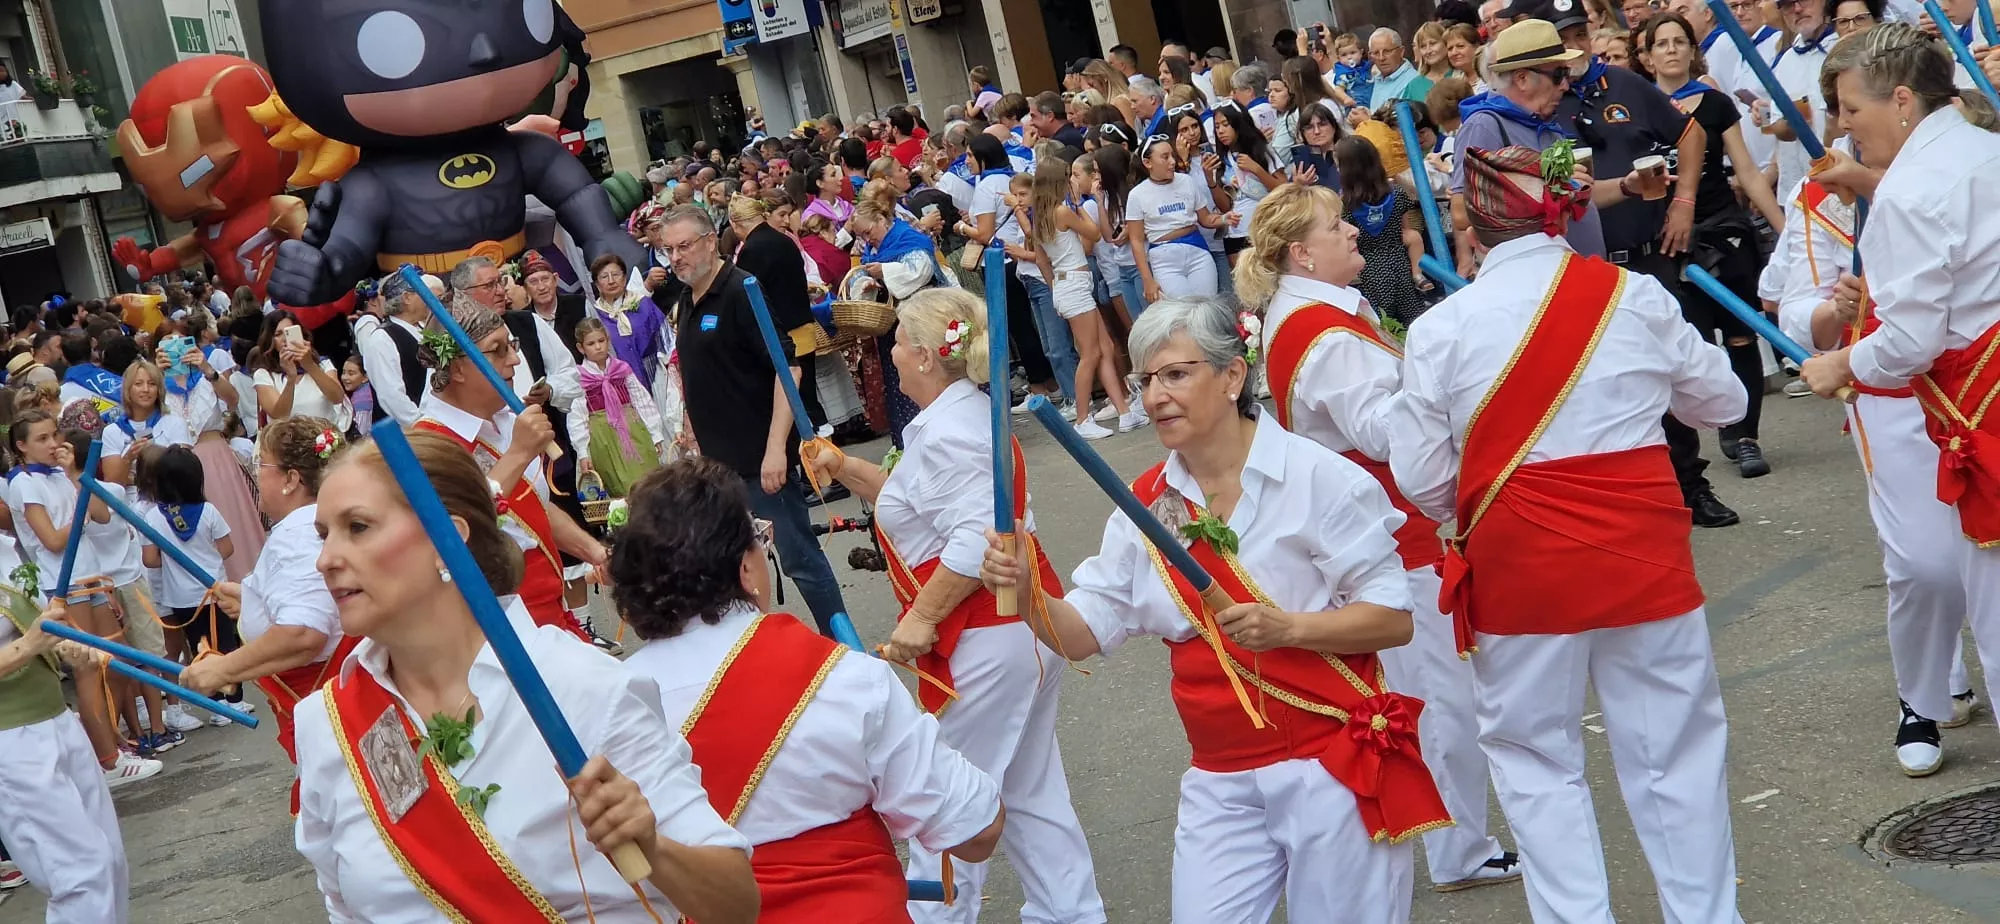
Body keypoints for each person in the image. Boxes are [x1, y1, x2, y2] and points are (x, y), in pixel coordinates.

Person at [980, 296, 1447, 921]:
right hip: (1219, 778)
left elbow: (1394, 618)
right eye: (1146, 380)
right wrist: (1023, 589)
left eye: (1175, 374)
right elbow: (1082, 633)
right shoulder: (1146, 505)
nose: (1154, 397)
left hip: (1330, 764)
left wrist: (1290, 628)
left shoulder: (1320, 479)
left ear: (1232, 376)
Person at [1389, 145, 1747, 924]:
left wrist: (1503, 489)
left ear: (1471, 223)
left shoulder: (1442, 329)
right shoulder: (1636, 295)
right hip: (1644, 554)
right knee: (1675, 753)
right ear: (1566, 209)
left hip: (1521, 565)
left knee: (1534, 759)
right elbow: (1721, 403)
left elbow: (1422, 484)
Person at [293, 432, 760, 923]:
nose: (327, 560)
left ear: (446, 541)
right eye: (325, 535)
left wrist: (653, 847)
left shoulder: (579, 687)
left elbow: (735, 905)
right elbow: (345, 908)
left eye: (358, 527)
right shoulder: (327, 727)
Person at [1237, 181, 1520, 894]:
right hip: (1392, 529)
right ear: (1302, 253)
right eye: (1337, 226)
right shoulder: (1324, 333)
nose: (1354, 231)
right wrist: (1451, 389)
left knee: (1429, 691)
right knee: (1441, 698)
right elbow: (1386, 432)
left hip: (1377, 524)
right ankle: (1457, 847)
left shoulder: (1315, 315)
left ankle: (1451, 840)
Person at [803, 288, 1106, 923]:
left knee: (945, 800)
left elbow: (978, 536)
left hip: (988, 640)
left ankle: (938, 917)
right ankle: (1070, 912)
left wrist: (922, 616)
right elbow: (927, 506)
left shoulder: (948, 430)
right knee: (1029, 793)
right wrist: (846, 468)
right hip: (1014, 632)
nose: (892, 355)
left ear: (924, 355)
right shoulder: (961, 419)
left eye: (898, 346)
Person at [616, 457, 1008, 921]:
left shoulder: (607, 705)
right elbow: (975, 829)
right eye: (761, 541)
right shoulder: (842, 678)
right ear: (745, 567)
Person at [1799, 23, 2000, 749]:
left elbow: (1912, 341)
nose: (1842, 127)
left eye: (1851, 108)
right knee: (1928, 563)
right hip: (1967, 405)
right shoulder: (1984, 149)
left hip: (1974, 412)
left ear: (1904, 99)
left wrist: (1840, 365)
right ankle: (1926, 693)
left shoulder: (1912, 191)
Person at [663, 205, 851, 634]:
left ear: (711, 241)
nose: (676, 257)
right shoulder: (688, 298)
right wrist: (691, 427)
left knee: (799, 558)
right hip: (717, 464)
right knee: (735, 569)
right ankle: (754, 651)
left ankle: (843, 645)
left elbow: (790, 372)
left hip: (759, 461)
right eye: (668, 249)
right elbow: (702, 372)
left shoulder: (742, 290)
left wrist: (774, 452)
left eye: (684, 246)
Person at [177, 416, 357, 810]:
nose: (256, 476)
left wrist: (224, 669)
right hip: (327, 707)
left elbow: (303, 632)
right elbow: (318, 602)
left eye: (262, 466)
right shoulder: (313, 526)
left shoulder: (296, 535)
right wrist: (252, 598)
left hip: (328, 710)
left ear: (292, 478)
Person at [1637, 12, 1788, 477]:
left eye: (1679, 41)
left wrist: (1786, 231)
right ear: (1646, 56)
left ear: (1691, 48)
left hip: (1724, 228)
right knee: (1694, 342)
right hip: (1668, 238)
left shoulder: (1716, 103)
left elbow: (1745, 170)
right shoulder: (1637, 107)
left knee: (1741, 333)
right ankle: (1698, 438)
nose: (1671, 50)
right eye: (1659, 43)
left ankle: (1745, 436)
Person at [0, 593, 133, 923]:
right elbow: (25, 640)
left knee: (110, 860)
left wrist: (60, 647)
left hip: (56, 720)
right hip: (11, 739)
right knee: (80, 874)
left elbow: (26, 627)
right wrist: (29, 645)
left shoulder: (4, 551)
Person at [1449, 17, 1608, 274]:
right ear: (1522, 78)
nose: (1566, 85)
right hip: (1540, 283)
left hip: (1580, 276)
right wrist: (1550, 186)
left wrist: (1626, 187)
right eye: (1559, 74)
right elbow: (1461, 213)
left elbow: (1579, 196)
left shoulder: (1544, 122)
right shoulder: (1486, 124)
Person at [1022, 159, 1143, 438]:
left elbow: (1041, 261)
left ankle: (1124, 412)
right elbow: (1094, 232)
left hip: (1068, 286)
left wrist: (1057, 290)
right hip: (1074, 286)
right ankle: (1082, 418)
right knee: (1090, 353)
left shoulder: (1040, 216)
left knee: (1103, 347)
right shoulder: (1062, 211)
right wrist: (1077, 204)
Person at [1333, 137, 1433, 326]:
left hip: (1367, 270)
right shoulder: (1396, 194)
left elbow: (1346, 240)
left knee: (1381, 325)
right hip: (1398, 264)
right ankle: (1418, 275)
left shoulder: (1346, 203)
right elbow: (1406, 229)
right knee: (1410, 320)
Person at [568, 316, 665, 497]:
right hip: (603, 438)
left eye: (601, 341)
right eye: (591, 343)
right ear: (581, 348)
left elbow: (642, 401)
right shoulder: (580, 378)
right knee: (619, 485)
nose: (598, 347)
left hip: (633, 430)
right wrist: (583, 451)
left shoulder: (621, 369)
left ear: (608, 340)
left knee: (648, 479)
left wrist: (655, 433)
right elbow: (577, 416)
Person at [1126, 136, 1230, 302]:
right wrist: (1147, 280)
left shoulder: (1186, 181)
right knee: (1182, 312)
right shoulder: (1137, 195)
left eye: (1172, 155)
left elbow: (1205, 219)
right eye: (1165, 157)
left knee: (1207, 308)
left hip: (1197, 250)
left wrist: (1225, 218)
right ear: (1147, 163)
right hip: (1164, 258)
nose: (1173, 161)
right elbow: (1136, 240)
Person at [359, 271, 442, 427]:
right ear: (407, 297)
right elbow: (391, 396)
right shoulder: (382, 338)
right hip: (412, 433)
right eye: (423, 293)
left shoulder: (423, 328)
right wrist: (422, 425)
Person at [249, 310, 351, 430]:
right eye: (278, 334)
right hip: (288, 444)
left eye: (289, 332)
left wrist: (310, 366)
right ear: (270, 339)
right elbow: (279, 415)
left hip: (325, 440)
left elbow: (337, 398)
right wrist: (291, 379)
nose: (285, 339)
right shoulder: (264, 374)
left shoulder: (323, 364)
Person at [586, 254, 668, 386]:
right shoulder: (595, 315)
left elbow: (666, 338)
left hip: (657, 376)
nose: (611, 281)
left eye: (616, 274)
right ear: (597, 284)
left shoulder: (644, 304)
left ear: (624, 278)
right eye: (604, 277)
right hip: (620, 382)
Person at [1370, 28, 1440, 104]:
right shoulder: (1372, 80)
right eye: (1376, 53)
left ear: (1401, 51)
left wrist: (1369, 117)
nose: (1381, 58)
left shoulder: (1415, 82)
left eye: (1387, 51)